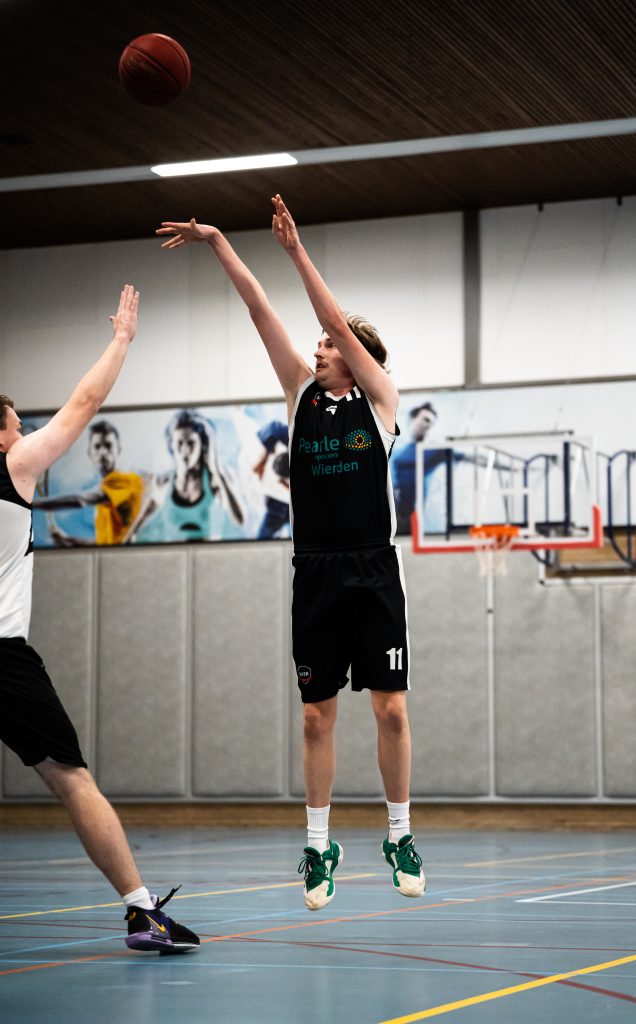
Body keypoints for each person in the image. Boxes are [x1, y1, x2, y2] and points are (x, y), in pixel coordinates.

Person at [157, 197, 426, 911]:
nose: (318, 347)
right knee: (315, 716)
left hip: (373, 566)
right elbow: (256, 311)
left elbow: (337, 320)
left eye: (329, 345)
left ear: (357, 356)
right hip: (315, 571)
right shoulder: (299, 396)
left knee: (391, 710)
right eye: (317, 344)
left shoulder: (380, 399)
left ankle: (399, 833)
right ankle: (318, 846)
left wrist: (296, 253)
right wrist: (218, 242)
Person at [0, 285, 199, 954]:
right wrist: (120, 341)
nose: (25, 435)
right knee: (71, 781)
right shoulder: (14, 468)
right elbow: (83, 404)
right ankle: (142, 912)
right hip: (4, 658)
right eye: (16, 426)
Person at [130, 407, 244, 542]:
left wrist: (216, 466)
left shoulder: (215, 479)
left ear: (203, 445)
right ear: (171, 445)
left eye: (191, 443)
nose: (185, 450)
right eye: (179, 443)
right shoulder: (164, 482)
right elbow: (136, 527)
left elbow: (240, 519)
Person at [34, 418, 146, 546]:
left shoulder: (126, 481)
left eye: (108, 445)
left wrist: (33, 504)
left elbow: (81, 500)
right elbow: (105, 545)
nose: (103, 452)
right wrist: (69, 540)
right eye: (97, 446)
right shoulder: (104, 501)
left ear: (118, 449)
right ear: (90, 453)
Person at [392, 402, 448, 535]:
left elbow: (469, 457)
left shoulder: (433, 450)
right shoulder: (397, 449)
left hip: (413, 512)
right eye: (426, 419)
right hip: (395, 510)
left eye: (431, 423)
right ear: (412, 418)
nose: (428, 425)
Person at [252, 419, 290, 539]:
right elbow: (274, 427)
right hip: (276, 508)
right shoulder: (289, 441)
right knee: (262, 540)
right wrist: (264, 457)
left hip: (294, 510)